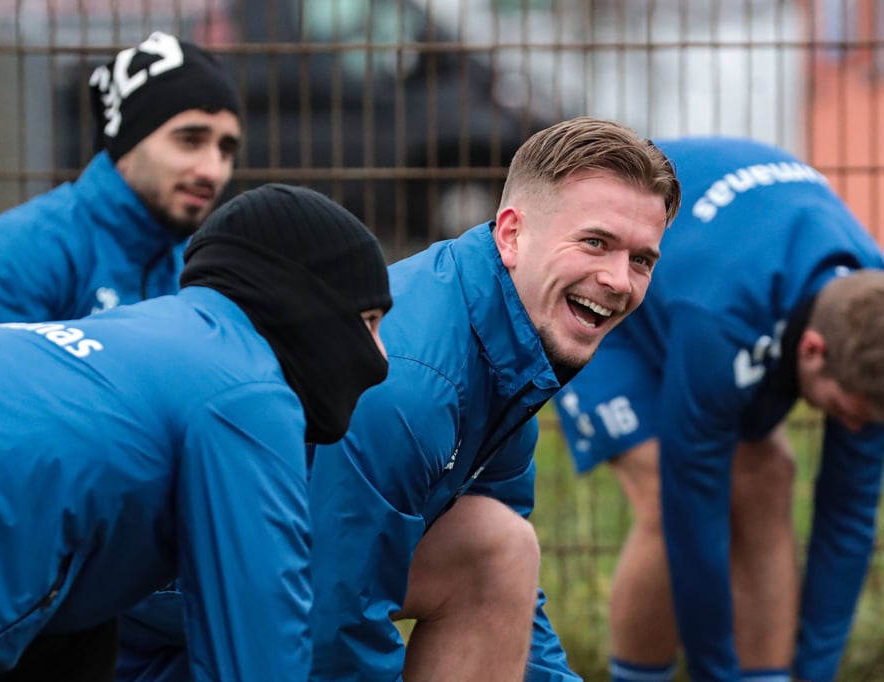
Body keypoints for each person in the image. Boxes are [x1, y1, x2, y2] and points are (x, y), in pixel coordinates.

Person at [114, 116, 681, 682]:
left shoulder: (512, 353)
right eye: (595, 243)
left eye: (641, 259)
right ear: (512, 234)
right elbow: (333, 626)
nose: (618, 280)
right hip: (159, 619)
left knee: (497, 546)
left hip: (267, 581)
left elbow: (509, 601)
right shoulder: (414, 382)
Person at [554, 136, 884, 682]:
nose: (854, 429)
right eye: (844, 413)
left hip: (719, 284)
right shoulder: (725, 322)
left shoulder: (876, 319)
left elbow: (847, 524)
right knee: (667, 507)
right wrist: (715, 671)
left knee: (766, 480)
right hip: (616, 310)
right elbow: (695, 513)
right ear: (813, 350)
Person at [0, 183, 394, 681]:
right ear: (304, 305)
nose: (382, 357)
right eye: (367, 321)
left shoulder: (147, 332)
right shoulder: (245, 392)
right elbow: (257, 652)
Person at [0, 31, 240, 324]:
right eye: (189, 140)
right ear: (126, 147)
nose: (213, 170)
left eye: (226, 150)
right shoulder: (24, 251)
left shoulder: (201, 266)